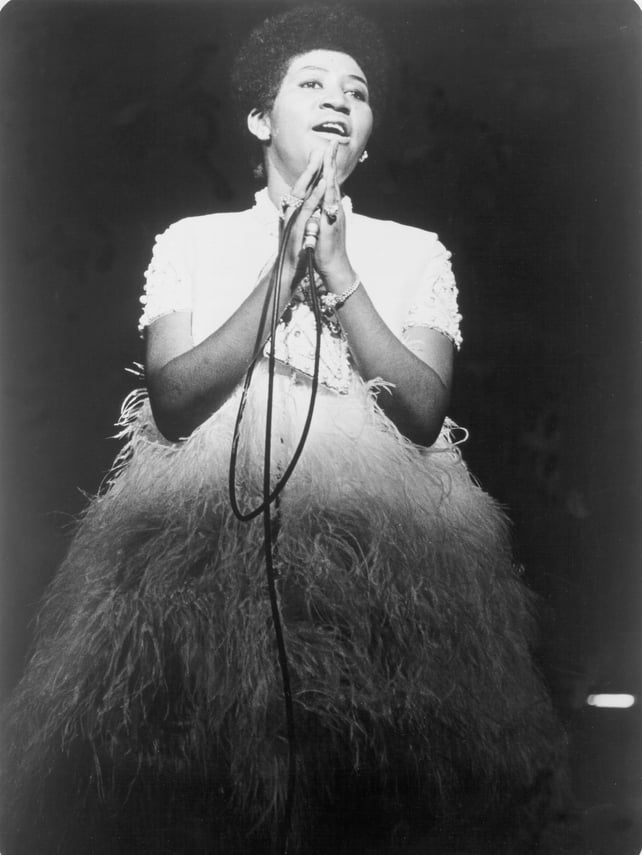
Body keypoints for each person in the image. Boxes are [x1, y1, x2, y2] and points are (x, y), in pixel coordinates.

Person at [2, 6, 563, 854]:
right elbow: (172, 399)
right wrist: (278, 275)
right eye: (312, 83)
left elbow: (420, 411)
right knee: (207, 779)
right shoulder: (193, 241)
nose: (339, 99)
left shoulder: (416, 251)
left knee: (367, 787)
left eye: (358, 92)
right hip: (202, 540)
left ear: (368, 138)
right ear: (261, 118)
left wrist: (337, 271)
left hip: (385, 547)